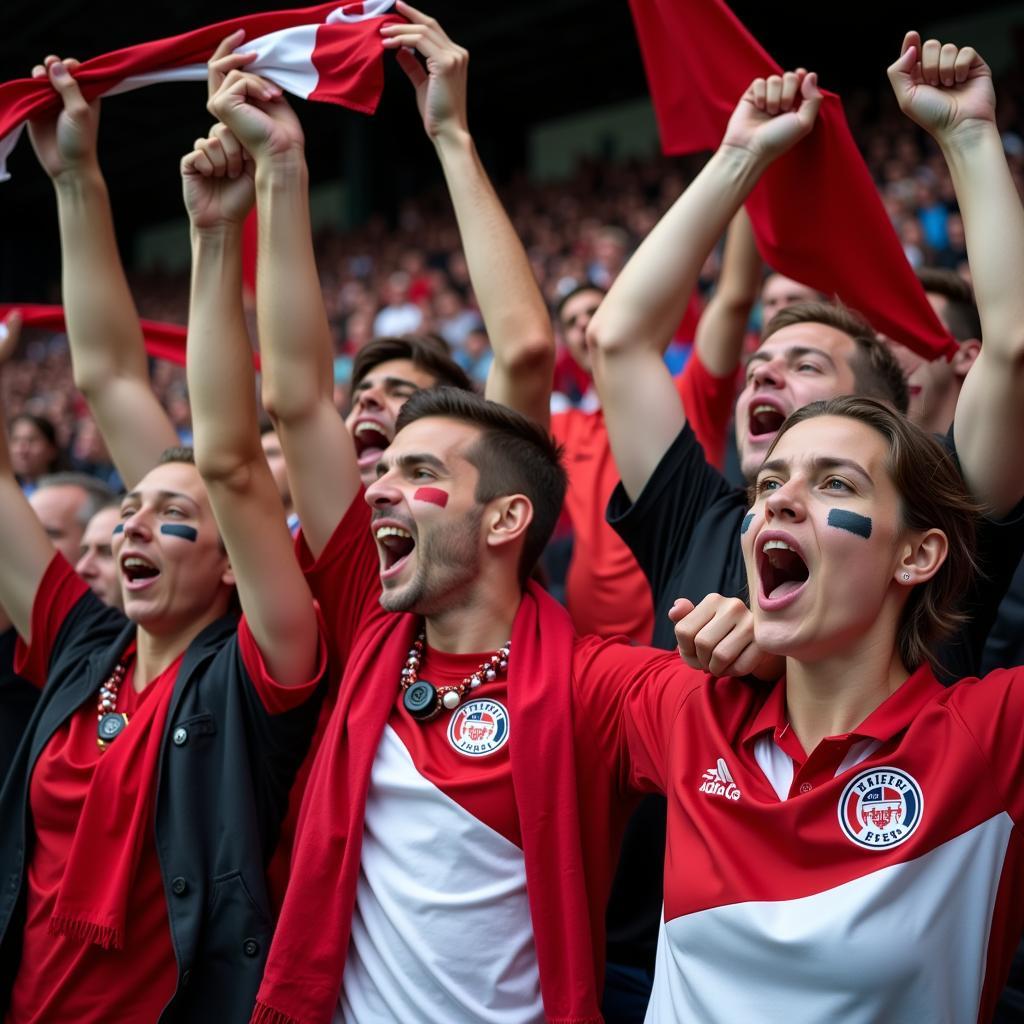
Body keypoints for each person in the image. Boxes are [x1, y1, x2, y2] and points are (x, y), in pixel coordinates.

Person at [0, 57, 327, 1022]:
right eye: (130, 505)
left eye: (174, 518)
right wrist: (73, 177)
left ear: (235, 560)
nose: (134, 522)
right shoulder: (81, 647)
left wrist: (216, 233)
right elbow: (104, 374)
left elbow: (227, 463)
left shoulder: (260, 674)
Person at [645, 394, 1024, 1022]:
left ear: (916, 555)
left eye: (836, 483)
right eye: (770, 480)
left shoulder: (993, 734)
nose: (779, 499)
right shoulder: (689, 707)